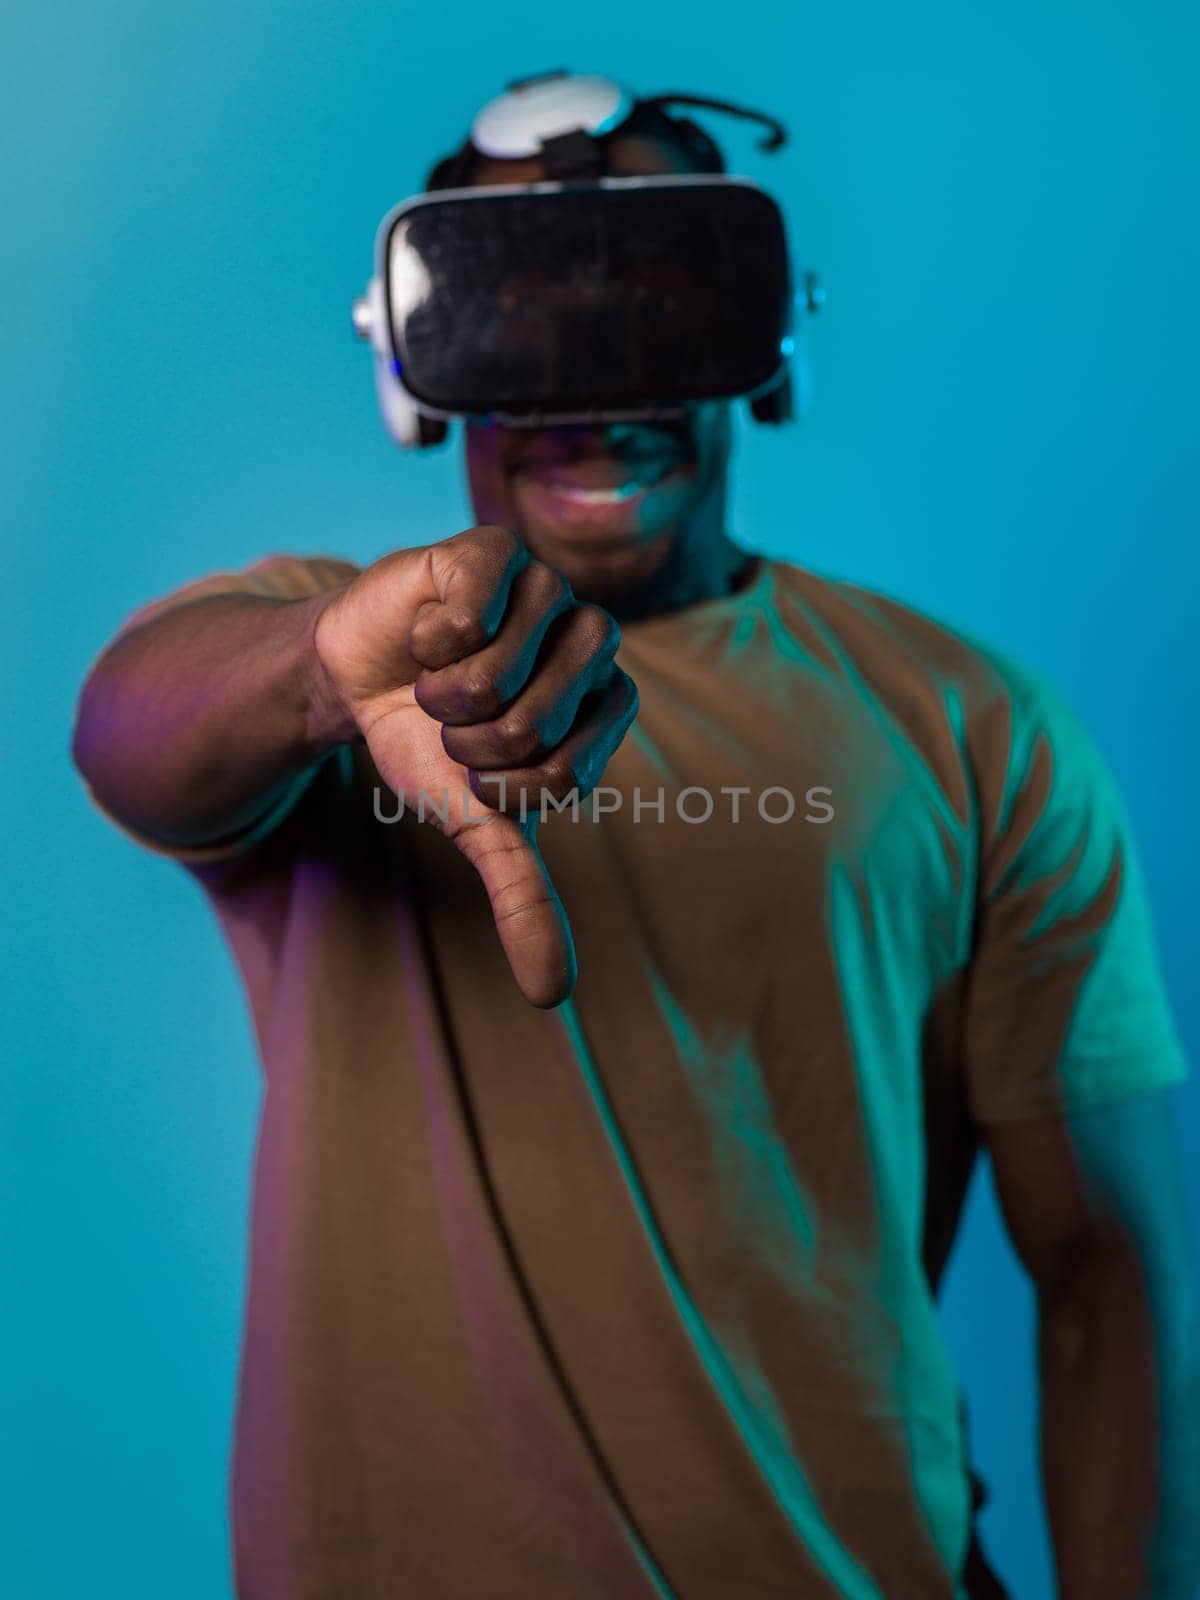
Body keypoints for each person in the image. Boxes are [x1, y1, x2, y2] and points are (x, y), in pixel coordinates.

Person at [72, 71, 1198, 1600]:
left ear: (767, 341)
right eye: (519, 311)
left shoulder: (975, 729)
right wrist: (323, 668)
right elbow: (129, 735)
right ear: (412, 366)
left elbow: (1108, 1277)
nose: (590, 387)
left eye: (657, 301)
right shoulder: (319, 662)